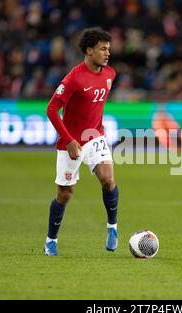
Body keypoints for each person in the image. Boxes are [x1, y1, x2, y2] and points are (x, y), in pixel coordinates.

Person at [44, 27, 118, 256]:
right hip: (71, 142)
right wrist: (68, 140)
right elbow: (52, 109)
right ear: (89, 50)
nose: (107, 53)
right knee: (65, 193)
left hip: (95, 136)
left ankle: (112, 228)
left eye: (109, 49)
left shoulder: (110, 74)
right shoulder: (74, 78)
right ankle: (51, 241)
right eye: (102, 49)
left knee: (108, 180)